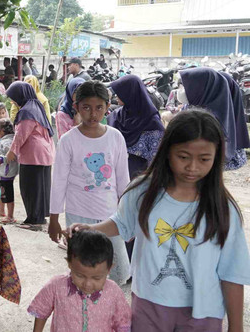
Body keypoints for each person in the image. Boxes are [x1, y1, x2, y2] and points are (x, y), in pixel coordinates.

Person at [71, 109, 250, 332]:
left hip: (204, 310)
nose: (192, 167)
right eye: (183, 157)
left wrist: (237, 326)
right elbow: (122, 222)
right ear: (167, 151)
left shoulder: (223, 208)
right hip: (149, 303)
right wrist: (92, 228)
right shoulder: (142, 191)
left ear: (216, 157)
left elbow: (232, 272)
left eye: (204, 159)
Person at [48, 81, 130, 284]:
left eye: (99, 108)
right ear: (76, 107)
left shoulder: (115, 137)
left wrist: (128, 213)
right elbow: (58, 181)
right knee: (83, 268)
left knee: (118, 270)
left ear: (107, 106)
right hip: (78, 213)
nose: (93, 114)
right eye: (86, 107)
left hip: (111, 214)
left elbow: (122, 179)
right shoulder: (68, 140)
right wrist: (54, 219)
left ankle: (109, 307)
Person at [28, 230, 131, 332]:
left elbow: (123, 323)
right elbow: (41, 310)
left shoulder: (114, 292)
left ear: (109, 269)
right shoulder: (56, 286)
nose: (87, 284)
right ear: (69, 263)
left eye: (96, 278)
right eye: (80, 275)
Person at [5, 81, 55, 230]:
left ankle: (34, 220)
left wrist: (11, 152)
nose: (11, 101)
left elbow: (21, 135)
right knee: (40, 187)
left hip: (34, 154)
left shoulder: (27, 111)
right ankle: (38, 218)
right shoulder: (36, 106)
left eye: (13, 97)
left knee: (30, 188)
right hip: (44, 153)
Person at [180, 67, 247, 171]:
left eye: (187, 87)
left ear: (201, 90)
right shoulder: (194, 108)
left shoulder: (207, 120)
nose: (182, 91)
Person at [108, 75, 165, 180]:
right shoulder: (116, 115)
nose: (116, 95)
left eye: (121, 92)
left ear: (130, 93)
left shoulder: (152, 123)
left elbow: (156, 159)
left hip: (138, 181)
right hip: (111, 176)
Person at [0, 118, 18, 225]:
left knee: (7, 195)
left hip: (6, 173)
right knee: (1, 192)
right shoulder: (6, 140)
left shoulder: (7, 141)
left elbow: (12, 155)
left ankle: (10, 216)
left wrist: (2, 159)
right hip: (2, 173)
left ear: (2, 131)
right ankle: (1, 210)